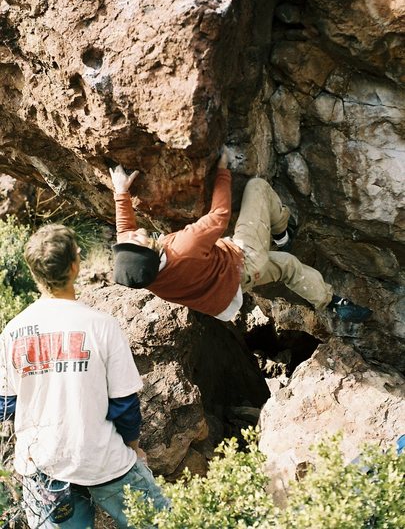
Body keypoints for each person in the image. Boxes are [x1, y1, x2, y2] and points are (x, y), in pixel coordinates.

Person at [0, 224, 168, 528]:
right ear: (76, 266)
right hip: (102, 458)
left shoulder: (12, 331)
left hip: (42, 466)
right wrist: (134, 447)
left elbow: (6, 405)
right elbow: (124, 403)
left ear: (34, 272)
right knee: (164, 523)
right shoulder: (101, 325)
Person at [109, 147, 372, 324]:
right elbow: (220, 215)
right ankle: (282, 232)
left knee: (288, 266)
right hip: (243, 258)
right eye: (134, 242)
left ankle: (332, 303)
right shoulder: (183, 248)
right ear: (150, 251)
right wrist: (223, 170)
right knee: (257, 187)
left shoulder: (146, 275)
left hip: (234, 287)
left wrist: (121, 193)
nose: (130, 236)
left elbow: (126, 235)